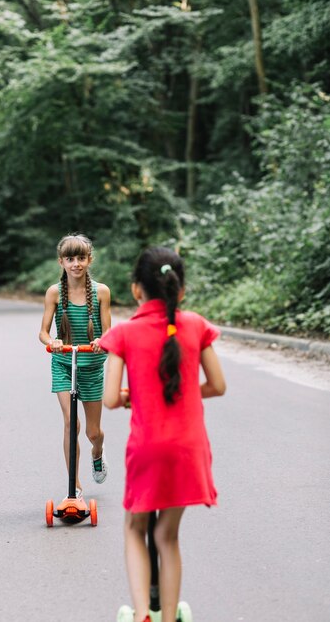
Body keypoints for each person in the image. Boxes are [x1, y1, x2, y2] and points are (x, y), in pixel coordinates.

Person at [99, 246, 226, 622]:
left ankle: (142, 614)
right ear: (180, 290)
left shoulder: (125, 333)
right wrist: (184, 390)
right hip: (189, 448)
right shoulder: (196, 325)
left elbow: (109, 399)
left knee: (136, 528)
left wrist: (134, 396)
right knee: (167, 537)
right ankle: (169, 617)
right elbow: (217, 385)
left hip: (148, 447)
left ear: (136, 289)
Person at [39, 233, 111, 499]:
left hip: (91, 365)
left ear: (89, 260)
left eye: (81, 258)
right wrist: (54, 341)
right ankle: (75, 488)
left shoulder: (101, 292)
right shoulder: (54, 293)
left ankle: (98, 454)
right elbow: (43, 333)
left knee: (93, 432)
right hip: (64, 364)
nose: (76, 264)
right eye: (70, 259)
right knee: (71, 424)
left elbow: (108, 332)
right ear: (61, 262)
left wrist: (100, 342)